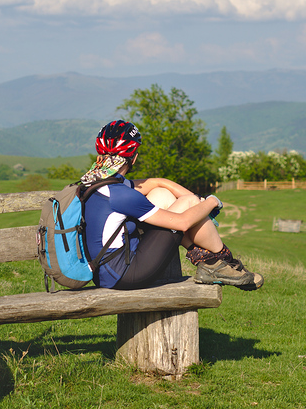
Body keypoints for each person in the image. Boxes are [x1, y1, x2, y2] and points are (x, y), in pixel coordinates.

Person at [81, 119, 263, 291]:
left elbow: (155, 183)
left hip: (104, 272)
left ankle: (212, 263)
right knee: (189, 204)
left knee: (162, 195)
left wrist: (197, 203)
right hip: (126, 274)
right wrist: (211, 202)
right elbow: (182, 223)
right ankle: (224, 261)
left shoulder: (97, 183)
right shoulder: (123, 195)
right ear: (134, 157)